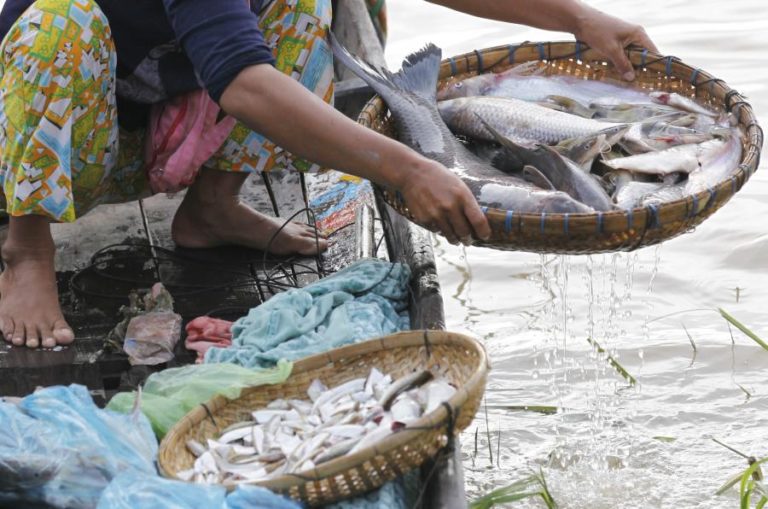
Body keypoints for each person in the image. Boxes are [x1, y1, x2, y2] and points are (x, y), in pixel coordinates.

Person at [0, 0, 659, 349]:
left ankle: (212, 207)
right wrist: (404, 167)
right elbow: (243, 82)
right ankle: (27, 249)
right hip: (56, 153)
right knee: (58, 19)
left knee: (305, 0)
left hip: (159, 131)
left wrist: (577, 17)